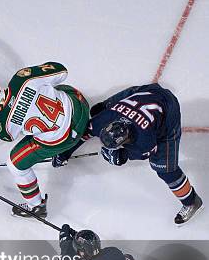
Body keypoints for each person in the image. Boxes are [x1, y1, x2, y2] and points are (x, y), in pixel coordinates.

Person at [53, 83, 202, 225]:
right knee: (104, 107)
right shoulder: (103, 120)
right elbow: (86, 132)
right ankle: (107, 104)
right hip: (147, 92)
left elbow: (147, 152)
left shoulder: (144, 140)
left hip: (168, 107)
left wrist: (121, 157)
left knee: (165, 169)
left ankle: (191, 202)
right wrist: (65, 153)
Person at [0, 62, 89, 218]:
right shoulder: (21, 79)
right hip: (80, 107)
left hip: (67, 137)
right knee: (55, 90)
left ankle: (36, 206)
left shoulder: (3, 121)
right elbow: (61, 71)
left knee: (14, 164)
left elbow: (7, 136)